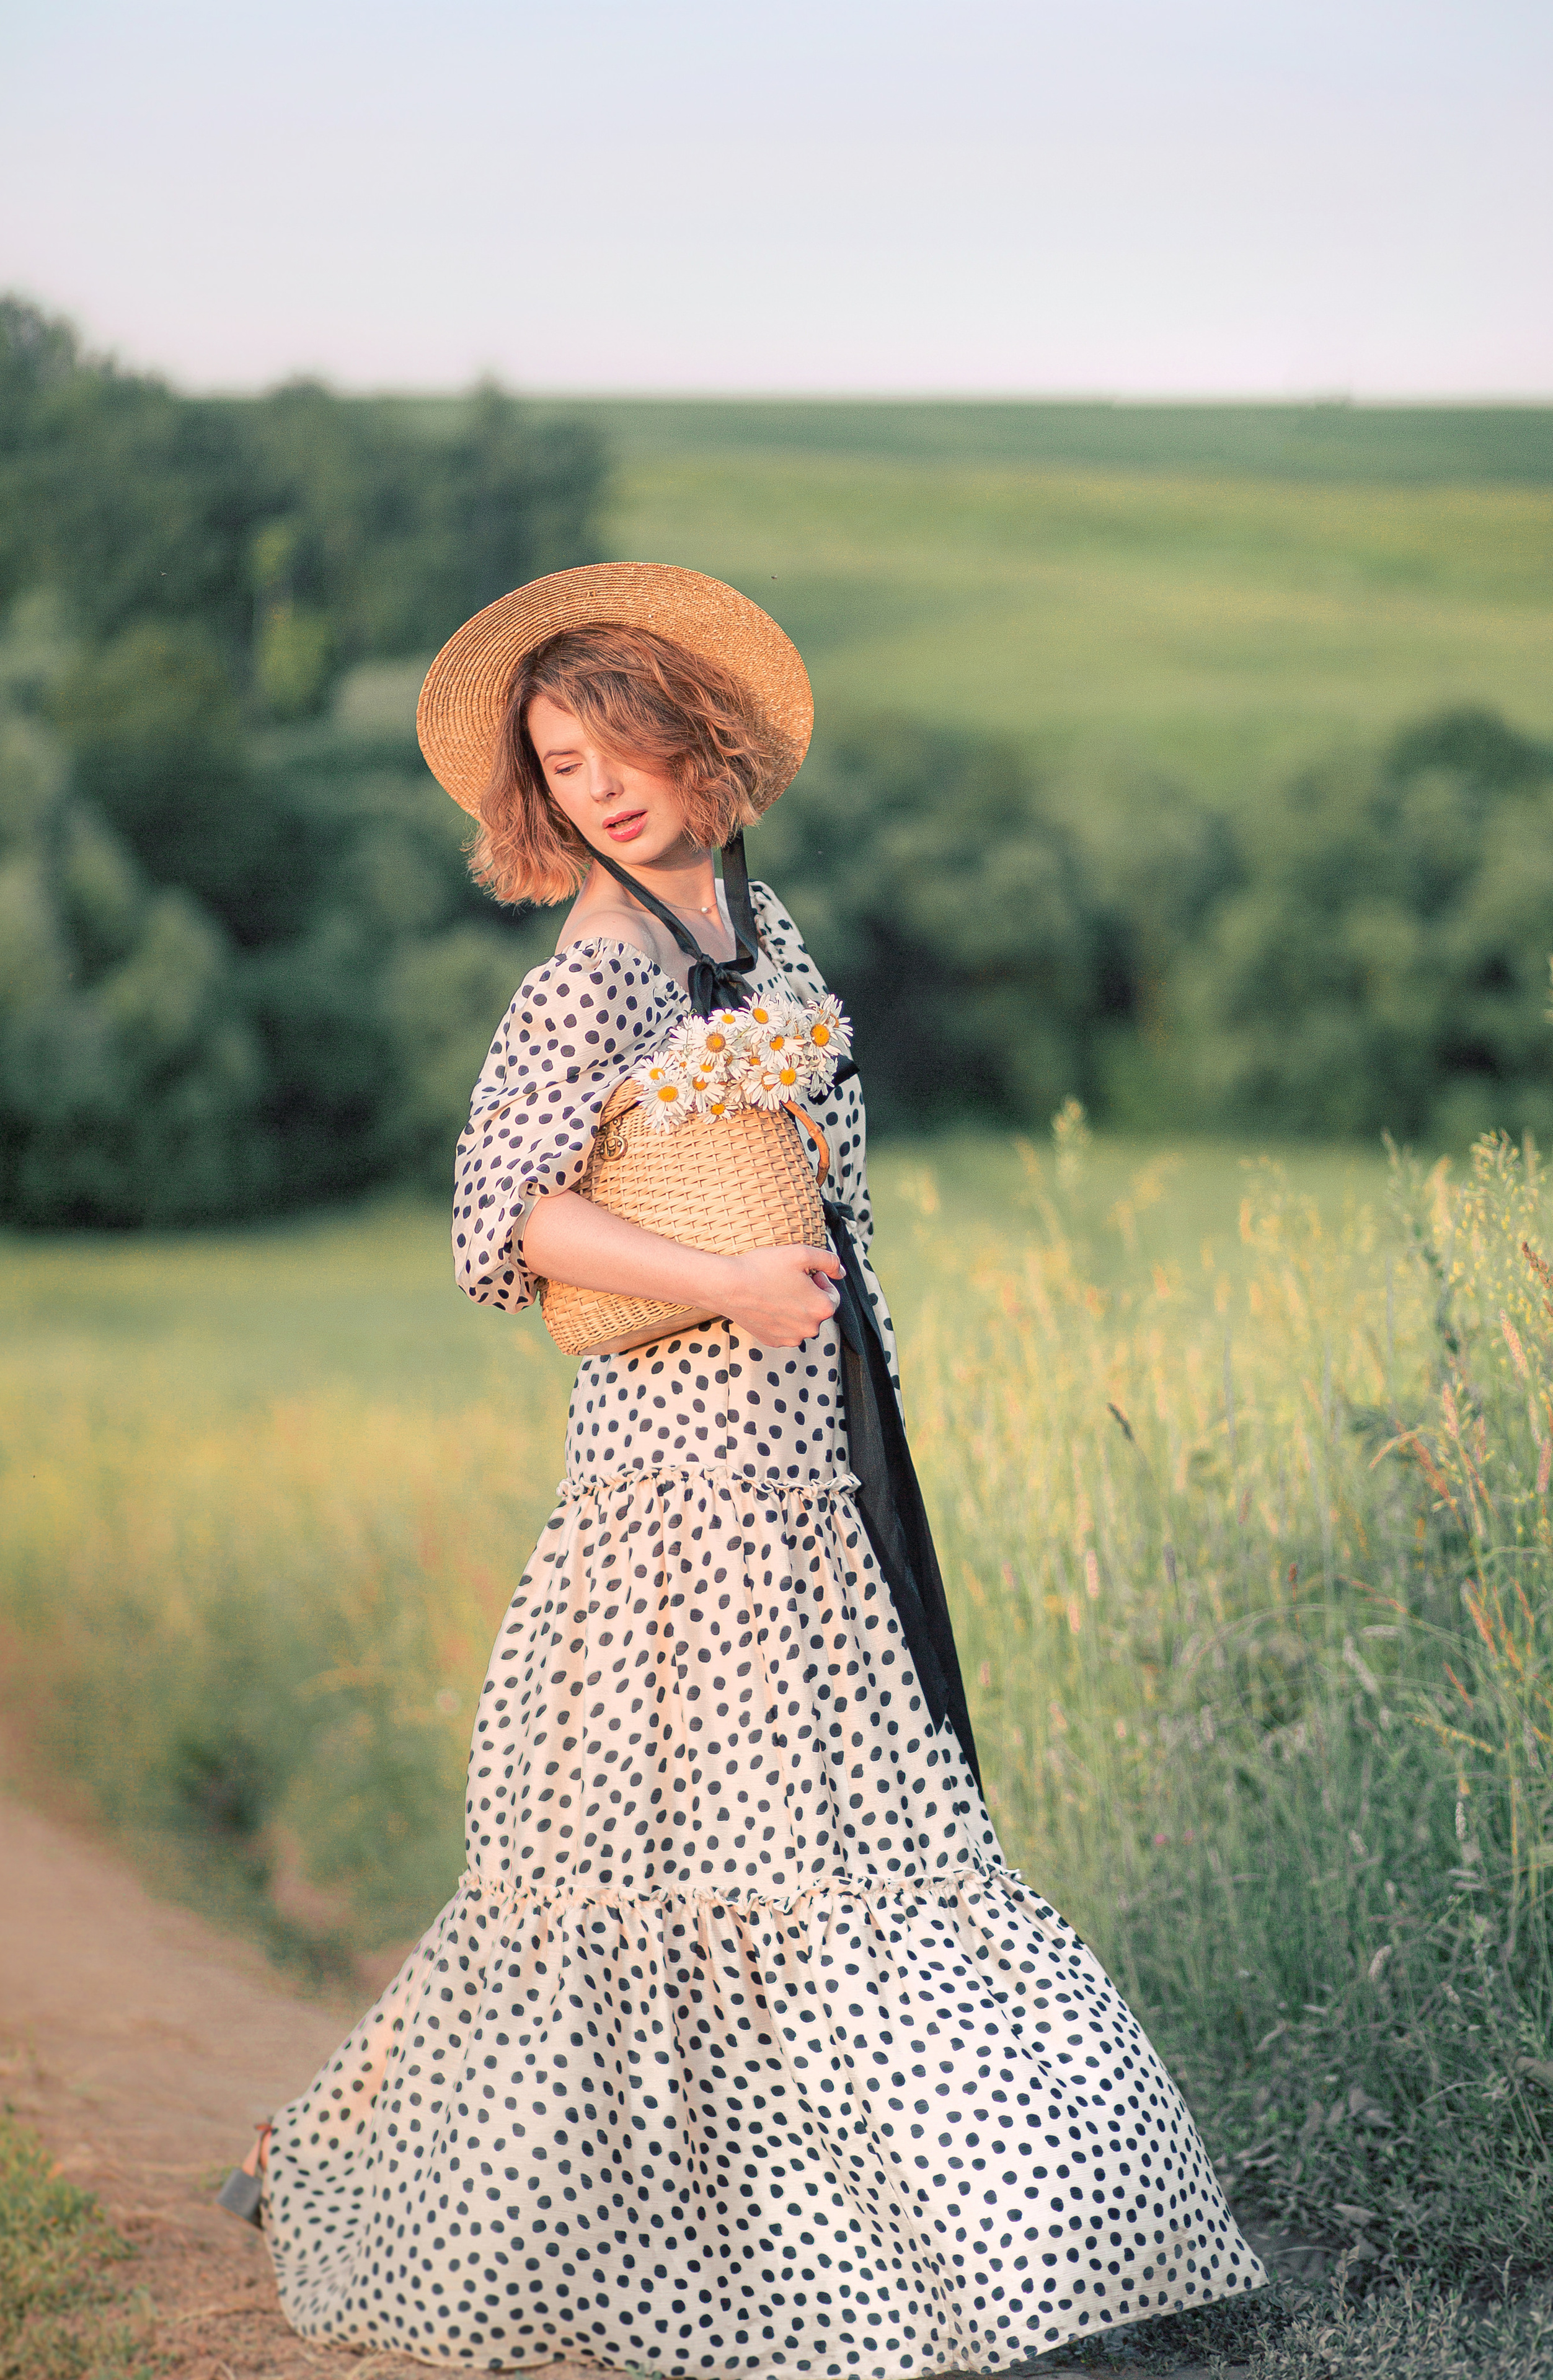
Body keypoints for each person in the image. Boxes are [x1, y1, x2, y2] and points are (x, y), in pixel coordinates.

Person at [223, 566, 1263, 2371]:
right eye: (561, 768)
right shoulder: (597, 965)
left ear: (693, 736)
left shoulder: (758, 924)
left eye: (617, 747)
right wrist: (722, 1285)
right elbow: (498, 1224)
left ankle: (942, 2252)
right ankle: (632, 2231)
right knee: (659, 1866)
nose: (599, 791)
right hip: (679, 1491)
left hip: (809, 1469)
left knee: (845, 1843)